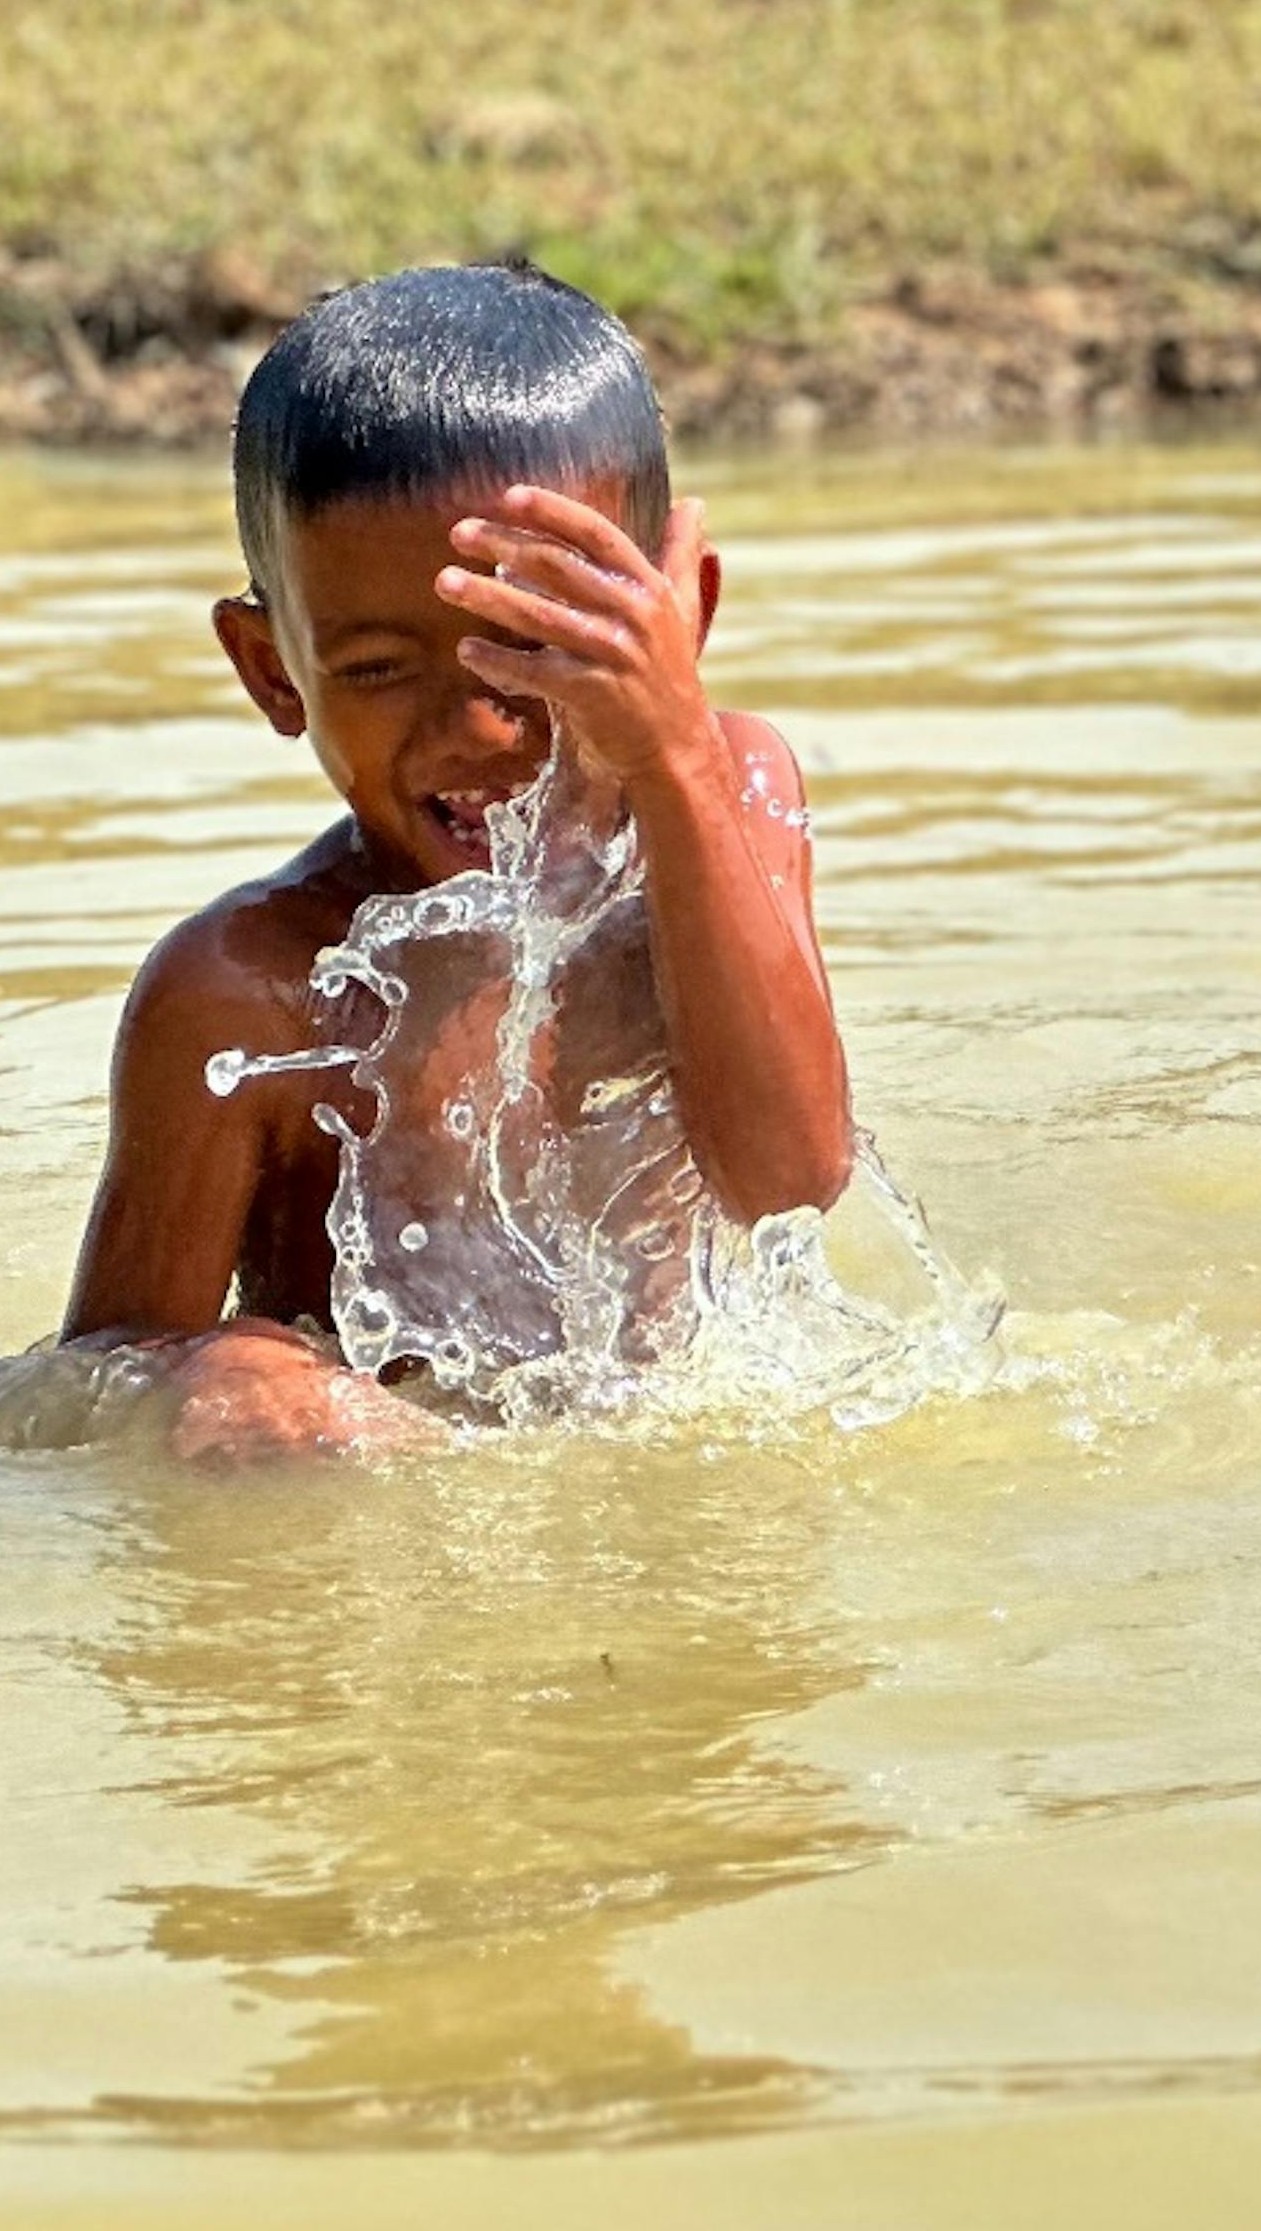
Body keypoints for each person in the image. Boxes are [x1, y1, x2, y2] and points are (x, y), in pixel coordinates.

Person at [57, 262, 850, 1459]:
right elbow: (89, 1389)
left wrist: (677, 761)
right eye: (378, 669)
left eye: (539, 645)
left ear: (675, 625)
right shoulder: (245, 1000)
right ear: (274, 672)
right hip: (383, 1512)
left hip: (659, 1455)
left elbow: (789, 1180)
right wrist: (230, 1369)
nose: (479, 728)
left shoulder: (730, 791)